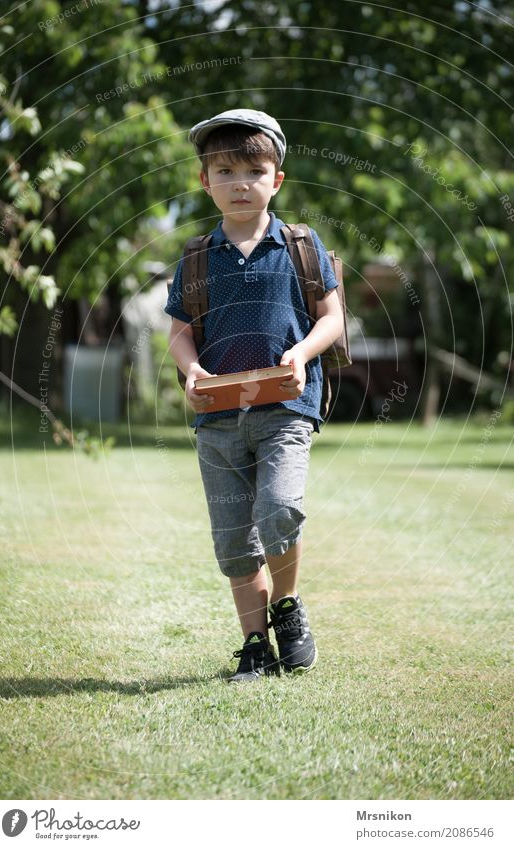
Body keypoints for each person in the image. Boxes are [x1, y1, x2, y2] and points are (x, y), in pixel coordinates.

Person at [164, 108, 343, 683]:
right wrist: (191, 371)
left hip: (286, 408)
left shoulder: (300, 245)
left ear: (276, 179)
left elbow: (332, 319)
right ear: (205, 181)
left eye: (254, 170)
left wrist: (302, 353)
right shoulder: (196, 257)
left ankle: (287, 609)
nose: (240, 183)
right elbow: (180, 333)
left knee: (279, 512)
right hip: (217, 419)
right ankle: (253, 646)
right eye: (225, 171)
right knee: (235, 545)